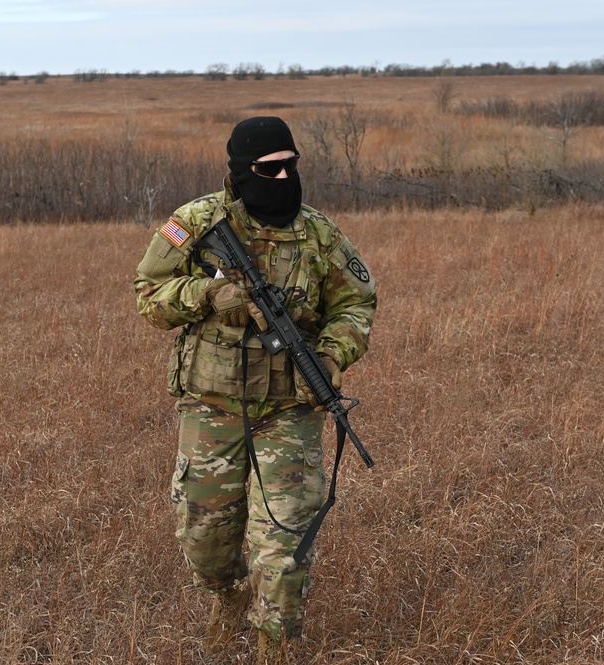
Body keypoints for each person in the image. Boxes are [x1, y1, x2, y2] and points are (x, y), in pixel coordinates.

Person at [133, 116, 377, 663]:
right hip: (211, 403)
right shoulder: (195, 223)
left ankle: (274, 644)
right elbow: (148, 295)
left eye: (293, 165)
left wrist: (335, 354)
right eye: (271, 169)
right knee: (203, 533)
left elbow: (357, 302)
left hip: (291, 407)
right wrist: (205, 295)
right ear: (242, 173)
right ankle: (228, 595)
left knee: (285, 541)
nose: (285, 176)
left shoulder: (319, 233)